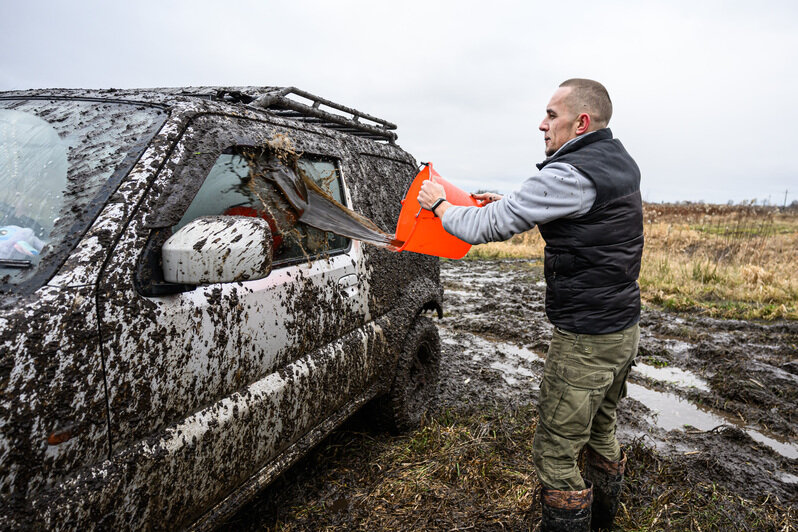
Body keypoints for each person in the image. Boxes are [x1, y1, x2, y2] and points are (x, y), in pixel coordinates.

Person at [418, 78, 642, 532]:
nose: (542, 124)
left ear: (580, 122)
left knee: (556, 452)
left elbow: (485, 228)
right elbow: (582, 218)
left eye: (552, 115)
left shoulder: (569, 172)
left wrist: (440, 205)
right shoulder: (618, 161)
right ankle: (604, 523)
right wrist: (511, 203)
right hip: (622, 327)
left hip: (585, 339)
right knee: (602, 430)